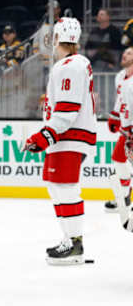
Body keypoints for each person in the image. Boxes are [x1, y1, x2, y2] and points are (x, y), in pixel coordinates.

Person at [24, 17, 97, 265]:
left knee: (65, 187)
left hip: (69, 137)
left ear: (58, 38)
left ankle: (75, 244)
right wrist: (46, 138)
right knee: (56, 187)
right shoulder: (72, 65)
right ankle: (69, 239)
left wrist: (41, 137)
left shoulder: (70, 66)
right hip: (62, 138)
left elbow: (66, 112)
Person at [104, 47, 133, 213]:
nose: (124, 54)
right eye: (125, 52)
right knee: (118, 159)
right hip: (128, 127)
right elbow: (120, 100)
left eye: (129, 53)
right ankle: (124, 194)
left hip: (130, 126)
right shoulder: (120, 76)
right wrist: (115, 116)